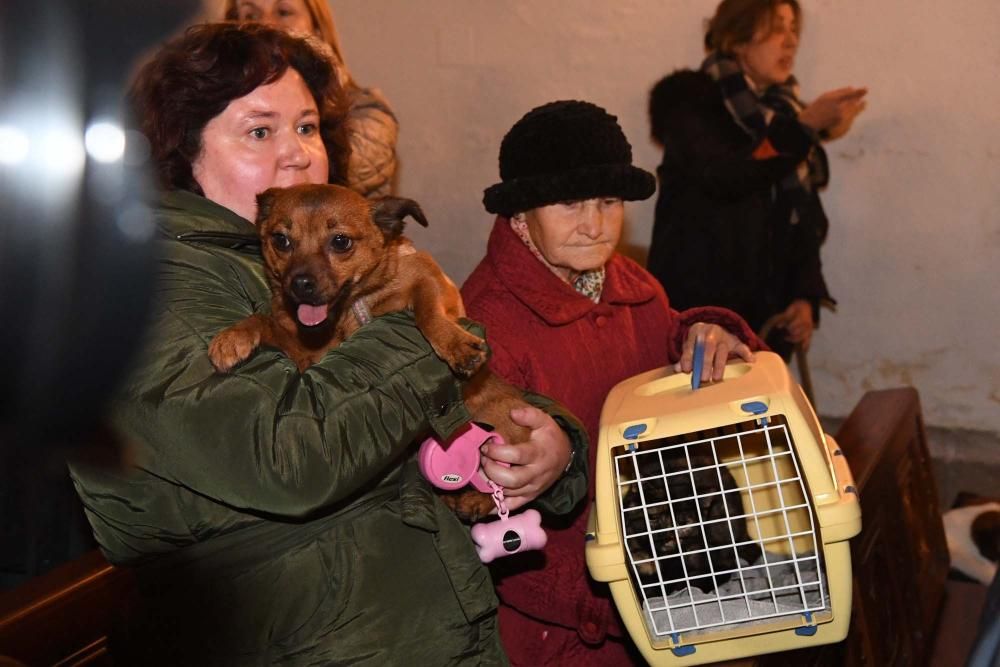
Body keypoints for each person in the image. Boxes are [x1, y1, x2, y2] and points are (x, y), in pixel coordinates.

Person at [67, 23, 586, 665]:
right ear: (179, 149)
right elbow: (295, 455)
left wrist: (554, 444)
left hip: (414, 625)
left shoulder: (283, 264)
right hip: (312, 642)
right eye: (260, 130)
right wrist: (419, 325)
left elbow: (444, 402)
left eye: (308, 127)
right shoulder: (147, 288)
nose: (297, 153)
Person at [461, 100, 766, 665]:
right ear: (521, 213)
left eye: (609, 201)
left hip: (658, 584)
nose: (595, 224)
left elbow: (670, 338)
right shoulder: (488, 327)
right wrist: (601, 608)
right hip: (564, 624)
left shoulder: (629, 284)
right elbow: (486, 504)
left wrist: (707, 331)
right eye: (570, 202)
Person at [646, 0, 866, 359]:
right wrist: (805, 128)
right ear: (738, 37)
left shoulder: (783, 112)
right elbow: (728, 175)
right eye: (778, 27)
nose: (791, 41)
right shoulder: (688, 99)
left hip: (765, 323)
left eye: (794, 29)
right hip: (697, 318)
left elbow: (801, 213)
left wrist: (803, 297)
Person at [221, 0, 399, 198]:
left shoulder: (369, 112)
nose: (266, 24)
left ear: (318, 29)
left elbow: (338, 173)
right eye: (250, 16)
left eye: (283, 12)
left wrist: (324, 84)